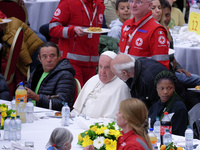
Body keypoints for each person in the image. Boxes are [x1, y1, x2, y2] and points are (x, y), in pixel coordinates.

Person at [49, 0, 105, 87]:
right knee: (76, 98)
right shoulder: (68, 2)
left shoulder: (100, 5)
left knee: (88, 98)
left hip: (92, 64)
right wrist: (72, 30)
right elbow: (53, 29)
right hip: (72, 63)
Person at [72, 51, 131, 119]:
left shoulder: (122, 86)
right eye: (100, 66)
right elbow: (76, 110)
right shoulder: (93, 79)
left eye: (107, 68)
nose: (102, 72)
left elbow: (115, 120)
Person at [119, 0, 169, 69]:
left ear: (149, 6)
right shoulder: (127, 24)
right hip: (123, 74)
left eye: (138, 2)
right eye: (131, 1)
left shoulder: (156, 30)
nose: (133, 5)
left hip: (142, 77)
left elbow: (161, 67)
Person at [26, 42, 75, 111]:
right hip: (32, 111)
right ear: (39, 58)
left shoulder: (65, 75)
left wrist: (37, 98)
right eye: (44, 56)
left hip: (53, 117)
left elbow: (63, 104)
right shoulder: (38, 71)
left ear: (59, 57)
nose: (48, 60)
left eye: (52, 56)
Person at [148, 70, 188, 136]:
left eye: (169, 88)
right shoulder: (154, 107)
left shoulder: (179, 107)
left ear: (174, 88)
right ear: (157, 89)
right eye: (162, 88)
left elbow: (179, 133)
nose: (165, 92)